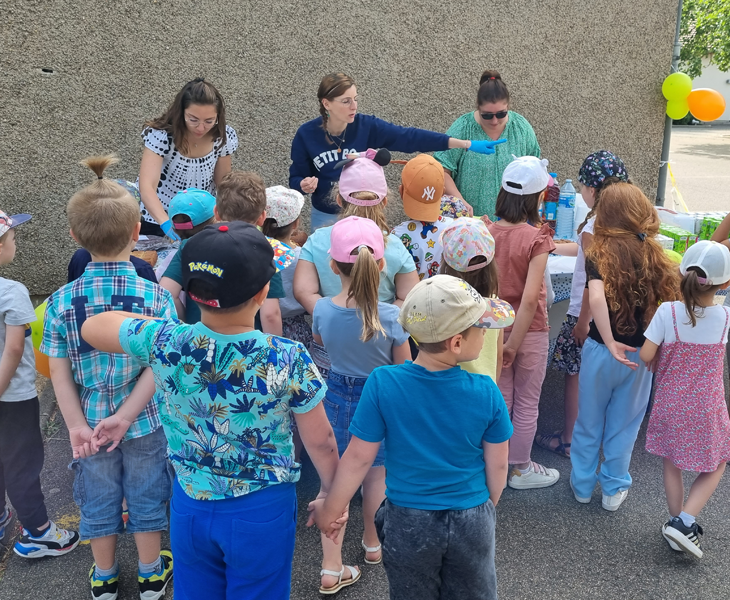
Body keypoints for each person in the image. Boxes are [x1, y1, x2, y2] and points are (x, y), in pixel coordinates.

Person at [83, 221, 341, 600]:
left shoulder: (165, 340)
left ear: (191, 291)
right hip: (262, 509)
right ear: (263, 292)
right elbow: (321, 442)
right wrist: (332, 498)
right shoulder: (287, 356)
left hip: (189, 504)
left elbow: (95, 326)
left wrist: (165, 332)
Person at [308, 275, 514, 600]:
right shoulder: (486, 391)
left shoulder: (383, 383)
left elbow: (359, 457)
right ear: (457, 343)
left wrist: (331, 510)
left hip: (408, 519)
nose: (487, 333)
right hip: (471, 516)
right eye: (482, 327)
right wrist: (484, 506)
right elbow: (498, 466)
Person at [40, 156, 177, 600]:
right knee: (147, 489)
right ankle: (151, 572)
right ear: (138, 232)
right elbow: (160, 364)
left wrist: (78, 426)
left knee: (97, 495)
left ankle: (103, 577)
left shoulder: (61, 302)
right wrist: (131, 412)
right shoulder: (154, 295)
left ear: (75, 237)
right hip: (143, 420)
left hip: (89, 425)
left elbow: (59, 375)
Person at [312, 216, 411, 594]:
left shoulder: (322, 308)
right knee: (375, 477)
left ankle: (331, 567)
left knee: (333, 479)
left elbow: (322, 339)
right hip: (380, 400)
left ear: (333, 266)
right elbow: (402, 368)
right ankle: (373, 545)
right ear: (381, 265)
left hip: (335, 395)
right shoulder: (391, 317)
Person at [570, 182, 679, 512]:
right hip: (640, 357)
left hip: (600, 351)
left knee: (588, 420)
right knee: (625, 425)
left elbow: (596, 298)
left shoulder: (597, 254)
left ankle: (582, 484)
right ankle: (614, 487)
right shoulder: (657, 256)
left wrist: (608, 340)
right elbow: (670, 307)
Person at [289, 72, 505, 230]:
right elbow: (295, 177)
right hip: (326, 217)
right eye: (346, 101)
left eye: (355, 99)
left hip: (367, 215)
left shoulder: (367, 126)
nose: (354, 106)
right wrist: (302, 184)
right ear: (326, 103)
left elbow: (410, 138)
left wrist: (465, 144)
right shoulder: (306, 134)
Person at [639, 241, 730, 557]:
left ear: (680, 273)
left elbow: (646, 354)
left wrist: (663, 352)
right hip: (707, 407)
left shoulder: (668, 312)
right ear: (726, 283)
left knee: (672, 462)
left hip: (670, 404)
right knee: (718, 460)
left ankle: (676, 520)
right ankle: (686, 521)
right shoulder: (726, 318)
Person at [537, 151, 629, 459]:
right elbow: (582, 253)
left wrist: (582, 322)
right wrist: (551, 245)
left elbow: (593, 281)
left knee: (574, 377)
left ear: (591, 189)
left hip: (584, 314)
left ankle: (569, 439)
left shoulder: (593, 227)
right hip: (615, 315)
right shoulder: (624, 221)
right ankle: (596, 438)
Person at [0, 211, 80, 558]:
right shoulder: (12, 292)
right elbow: (15, 348)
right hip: (12, 397)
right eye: (12, 238)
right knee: (22, 463)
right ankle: (39, 533)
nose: (15, 243)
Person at [487, 156, 559, 489]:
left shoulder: (487, 231)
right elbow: (530, 299)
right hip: (528, 334)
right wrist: (514, 344)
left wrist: (503, 343)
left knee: (502, 399)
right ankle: (520, 467)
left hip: (493, 332)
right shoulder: (537, 238)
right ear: (536, 198)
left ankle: (496, 464)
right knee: (528, 402)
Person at [160, 172, 294, 329]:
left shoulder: (191, 243)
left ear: (216, 212)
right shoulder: (266, 250)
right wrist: (271, 349)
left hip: (198, 340)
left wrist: (184, 323)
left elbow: (166, 293)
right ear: (262, 217)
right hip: (247, 345)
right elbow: (270, 314)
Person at [138, 78, 238, 240]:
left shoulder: (222, 137)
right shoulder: (162, 136)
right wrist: (165, 223)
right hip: (158, 218)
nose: (200, 128)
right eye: (193, 119)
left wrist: (227, 219)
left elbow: (223, 184)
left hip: (204, 219)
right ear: (181, 112)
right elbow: (147, 186)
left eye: (209, 121)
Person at [434, 70, 540, 219]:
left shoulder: (521, 128)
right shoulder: (463, 127)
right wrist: (461, 203)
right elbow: (441, 171)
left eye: (501, 114)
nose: (495, 121)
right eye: (487, 115)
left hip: (512, 224)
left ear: (508, 106)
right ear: (478, 108)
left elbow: (535, 170)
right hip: (469, 224)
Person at [439, 217, 512, 383]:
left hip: (448, 392)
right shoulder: (495, 305)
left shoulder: (441, 303)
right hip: (485, 390)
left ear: (446, 258)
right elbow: (498, 356)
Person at [262, 185, 312, 347]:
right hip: (296, 327)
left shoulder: (254, 253)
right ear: (296, 223)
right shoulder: (302, 256)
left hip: (259, 323)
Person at [391, 154, 452, 280]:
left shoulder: (397, 235)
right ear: (443, 192)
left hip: (411, 298)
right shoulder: (454, 229)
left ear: (401, 191)